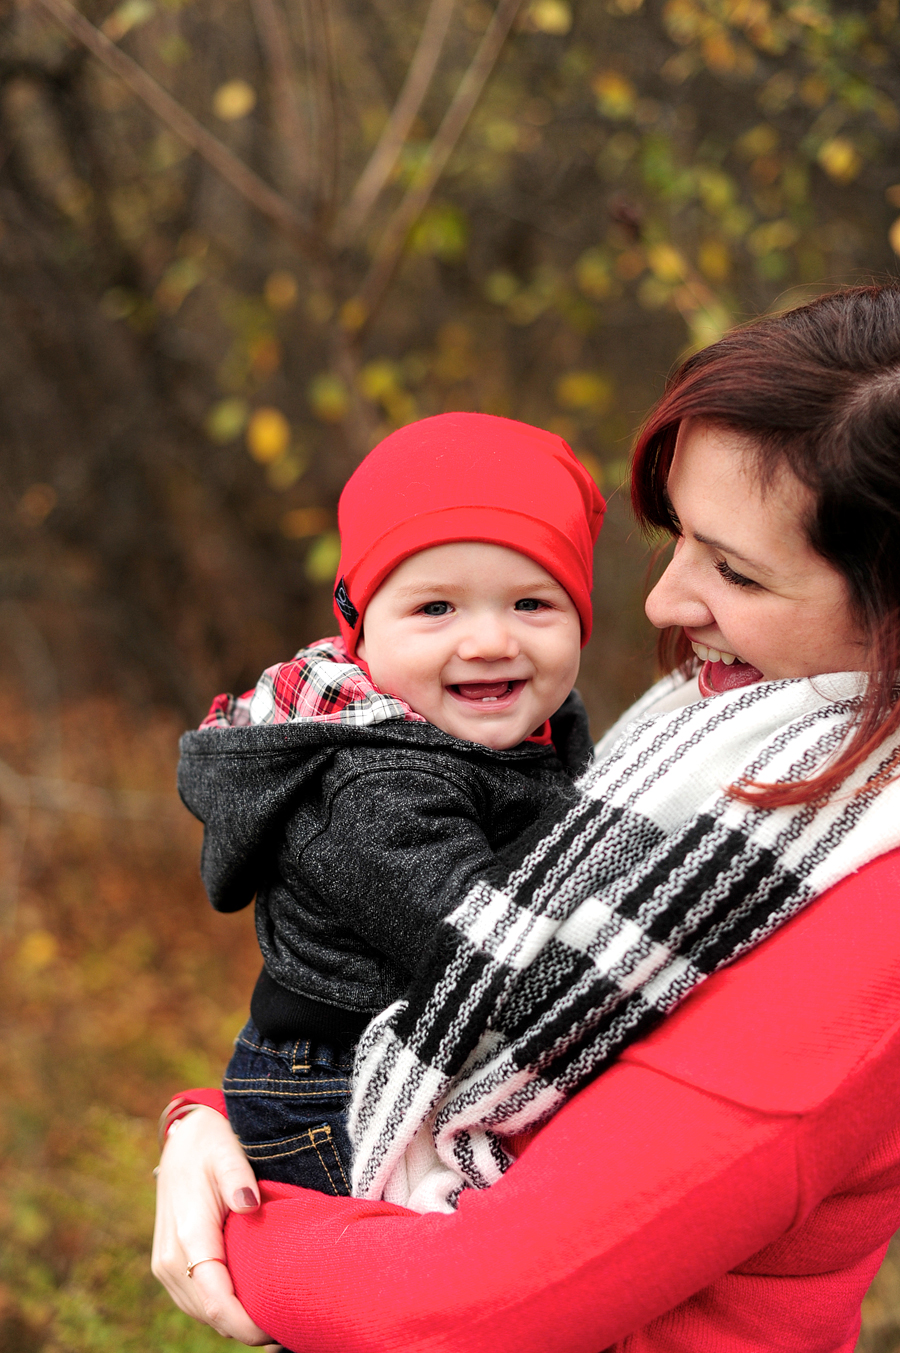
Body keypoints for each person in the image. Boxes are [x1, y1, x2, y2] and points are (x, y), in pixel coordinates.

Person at [153, 283, 900, 1351]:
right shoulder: (722, 738)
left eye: (735, 570)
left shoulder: (866, 916)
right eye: (676, 538)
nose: (662, 603)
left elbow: (467, 1314)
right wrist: (217, 1116)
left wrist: (239, 1221)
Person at [177, 412, 603, 1192]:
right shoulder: (370, 785)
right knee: (446, 1271)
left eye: (532, 604)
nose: (488, 641)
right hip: (327, 1089)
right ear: (361, 631)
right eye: (436, 608)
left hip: (430, 1056)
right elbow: (489, 947)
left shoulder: (538, 729)